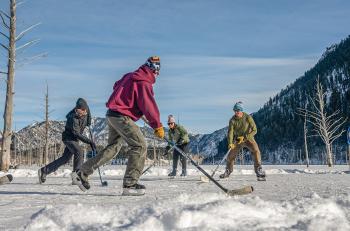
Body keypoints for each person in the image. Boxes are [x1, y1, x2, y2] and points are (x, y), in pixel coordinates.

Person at [72, 56, 165, 196]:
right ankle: (130, 184)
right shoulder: (144, 82)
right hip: (121, 116)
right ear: (155, 70)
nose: (157, 75)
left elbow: (116, 86)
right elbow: (149, 105)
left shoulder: (130, 76)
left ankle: (82, 172)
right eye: (157, 72)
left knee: (113, 148)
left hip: (112, 114)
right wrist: (157, 125)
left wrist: (130, 104)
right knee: (139, 145)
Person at [38, 98, 95, 184]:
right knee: (79, 151)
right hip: (68, 138)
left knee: (65, 159)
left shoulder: (86, 110)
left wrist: (89, 121)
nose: (80, 112)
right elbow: (76, 134)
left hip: (75, 140)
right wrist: (89, 141)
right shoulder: (72, 118)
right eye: (78, 110)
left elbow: (88, 112)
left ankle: (44, 171)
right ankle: (76, 176)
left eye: (82, 110)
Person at [219, 101, 266, 181]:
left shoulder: (248, 117)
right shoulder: (232, 120)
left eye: (238, 110)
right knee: (230, 155)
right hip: (237, 140)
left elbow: (255, 130)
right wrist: (230, 143)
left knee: (256, 151)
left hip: (248, 138)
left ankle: (259, 170)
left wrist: (245, 137)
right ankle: (228, 170)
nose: (236, 112)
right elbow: (230, 132)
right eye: (235, 110)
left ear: (241, 110)